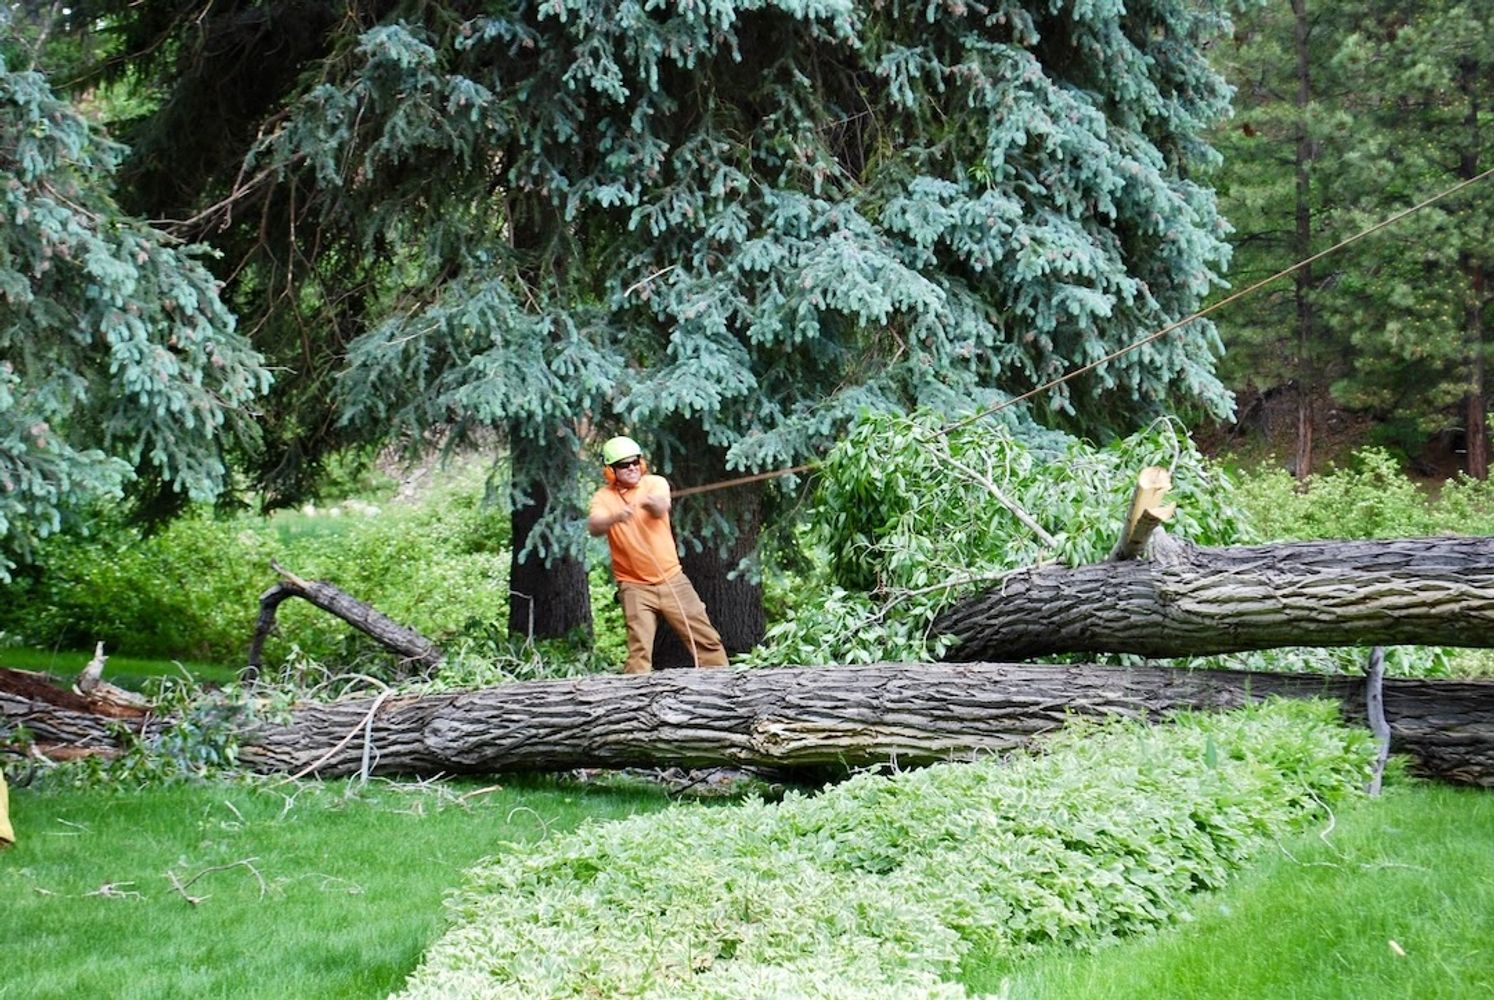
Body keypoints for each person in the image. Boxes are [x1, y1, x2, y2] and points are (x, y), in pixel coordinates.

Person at [587, 435, 729, 674]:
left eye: (635, 462)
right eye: (623, 464)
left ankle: (723, 684)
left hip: (672, 579)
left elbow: (662, 505)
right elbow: (594, 525)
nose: (632, 467)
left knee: (706, 639)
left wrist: (653, 503)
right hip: (633, 586)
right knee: (639, 649)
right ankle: (634, 700)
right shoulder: (604, 497)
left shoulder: (655, 483)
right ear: (611, 471)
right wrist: (616, 516)